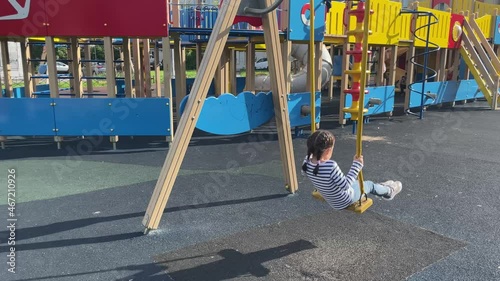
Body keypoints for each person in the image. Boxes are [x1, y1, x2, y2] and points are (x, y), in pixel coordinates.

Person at [302, 130, 402, 210]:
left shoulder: (306, 161)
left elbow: (307, 173)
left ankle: (381, 186)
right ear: (328, 150)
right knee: (369, 185)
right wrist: (357, 165)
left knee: (357, 182)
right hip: (345, 200)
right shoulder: (330, 165)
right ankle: (389, 191)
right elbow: (345, 186)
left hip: (332, 200)